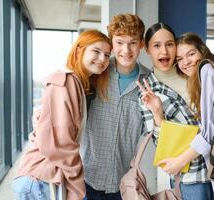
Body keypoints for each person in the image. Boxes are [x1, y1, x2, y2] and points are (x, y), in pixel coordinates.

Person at [12, 30, 112, 200]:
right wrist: (77, 183)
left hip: (46, 178)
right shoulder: (64, 82)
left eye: (107, 55)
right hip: (41, 179)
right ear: (79, 50)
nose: (102, 59)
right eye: (96, 51)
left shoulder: (79, 84)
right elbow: (60, 143)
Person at [136, 23, 214, 200]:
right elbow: (162, 144)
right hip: (191, 176)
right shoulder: (148, 89)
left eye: (169, 44)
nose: (164, 51)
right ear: (147, 49)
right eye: (156, 45)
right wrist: (158, 114)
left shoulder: (193, 72)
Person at [162, 32, 214, 199]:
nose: (185, 62)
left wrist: (179, 162)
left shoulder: (207, 70)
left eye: (191, 54)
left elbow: (209, 133)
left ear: (202, 51)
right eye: (179, 59)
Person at [80, 14, 150, 200]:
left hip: (122, 182)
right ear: (111, 44)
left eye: (132, 43)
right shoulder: (95, 74)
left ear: (141, 44)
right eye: (119, 43)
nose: (126, 50)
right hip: (86, 178)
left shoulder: (151, 82)